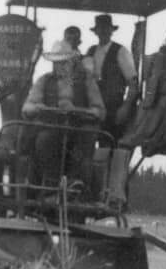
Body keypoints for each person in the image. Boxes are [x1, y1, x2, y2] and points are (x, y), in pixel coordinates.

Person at [22, 39, 104, 188]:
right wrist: (37, 108)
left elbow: (99, 111)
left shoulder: (87, 81)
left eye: (63, 62)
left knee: (85, 139)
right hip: (51, 128)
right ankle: (49, 186)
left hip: (78, 130)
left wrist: (77, 110)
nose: (59, 66)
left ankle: (76, 183)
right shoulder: (44, 81)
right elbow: (27, 107)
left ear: (72, 61)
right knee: (43, 140)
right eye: (56, 62)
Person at [84, 14, 138, 145]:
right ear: (96, 32)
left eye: (106, 28)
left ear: (111, 31)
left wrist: (125, 107)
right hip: (91, 107)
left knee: (108, 146)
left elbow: (133, 84)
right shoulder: (90, 51)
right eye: (100, 29)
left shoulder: (121, 51)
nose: (103, 32)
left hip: (113, 108)